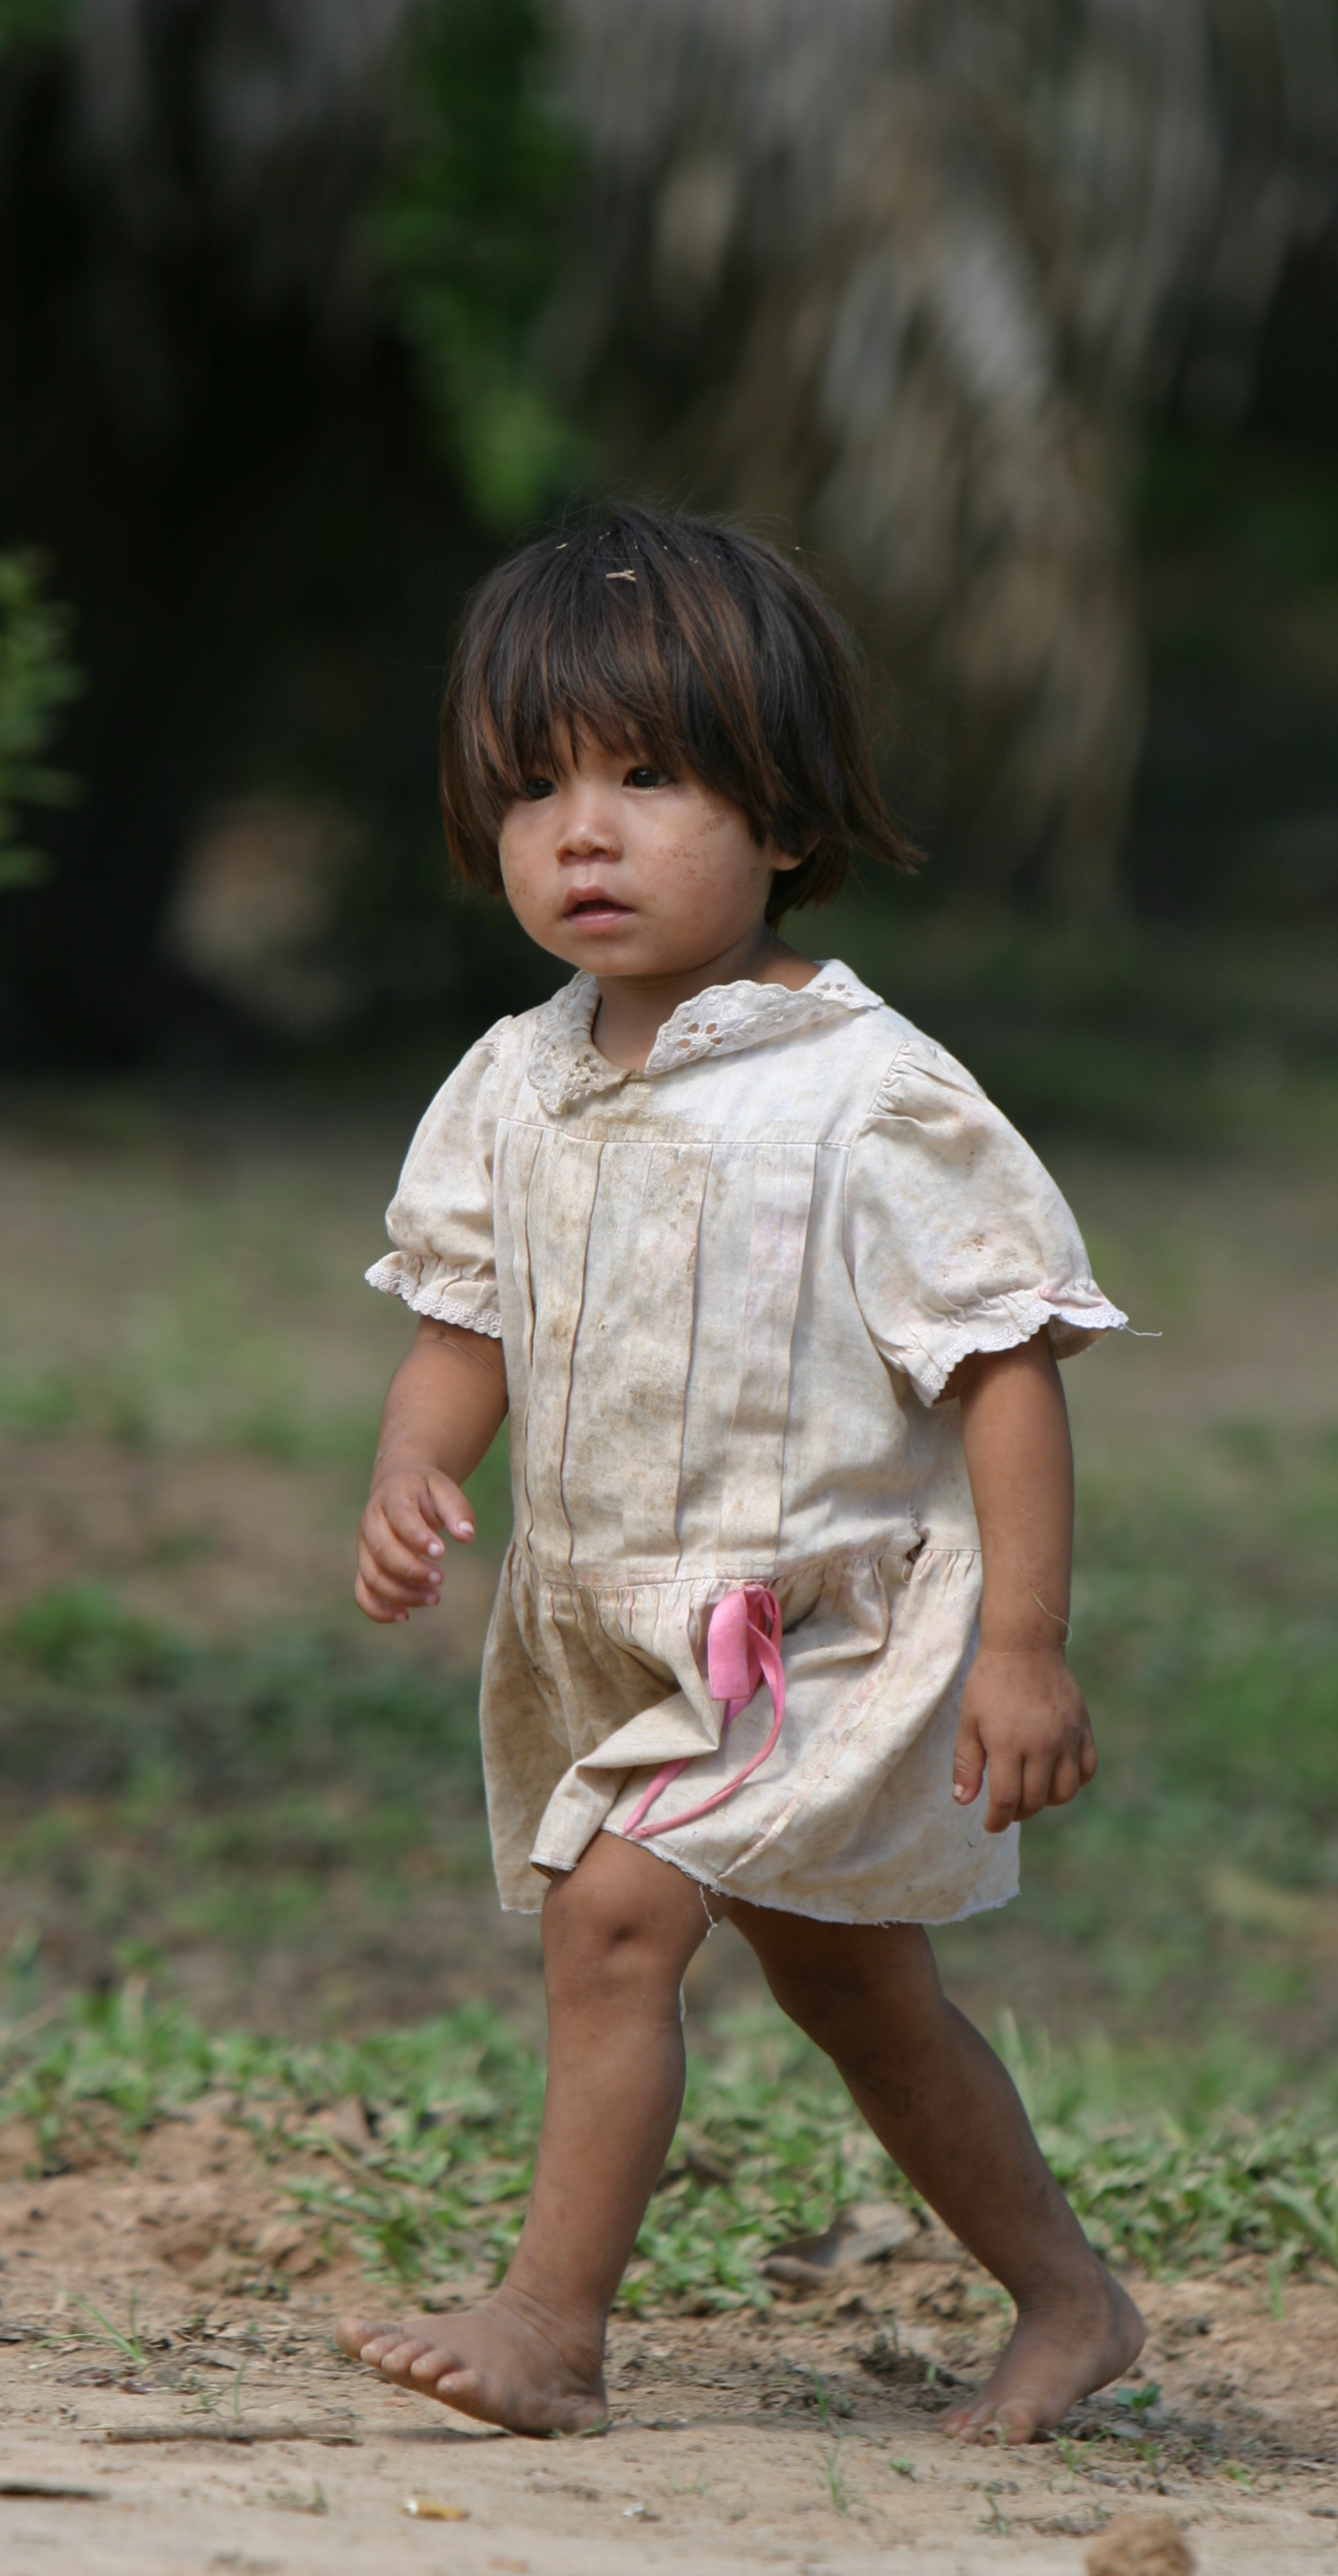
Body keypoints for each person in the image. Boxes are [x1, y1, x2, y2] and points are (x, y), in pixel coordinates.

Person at [339, 507, 1145, 2442]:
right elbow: (474, 1323)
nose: (580, 833)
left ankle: (551, 2327)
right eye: (530, 789)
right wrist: (408, 1468)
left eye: (647, 776)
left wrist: (1022, 1647)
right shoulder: (515, 1078)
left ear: (785, 816)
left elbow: (1005, 1366)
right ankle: (1069, 2295)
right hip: (615, 1615)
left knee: (613, 1919)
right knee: (857, 1991)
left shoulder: (870, 1093)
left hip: (813, 1635)